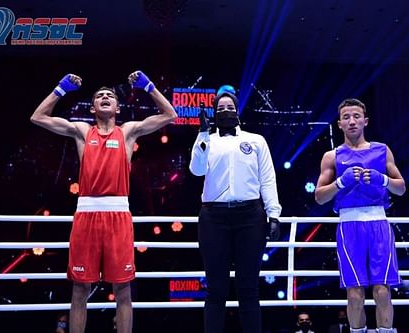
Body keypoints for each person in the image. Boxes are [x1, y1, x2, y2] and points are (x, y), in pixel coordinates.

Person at [31, 71, 177, 333]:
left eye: (110, 95)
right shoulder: (82, 131)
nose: (106, 97)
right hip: (86, 216)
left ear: (117, 107)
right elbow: (38, 117)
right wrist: (60, 89)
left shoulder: (128, 132)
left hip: (118, 217)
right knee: (80, 289)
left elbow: (170, 115)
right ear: (93, 107)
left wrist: (149, 86)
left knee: (123, 290)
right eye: (100, 96)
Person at [189, 86, 281, 333]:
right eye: (221, 108)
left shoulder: (255, 140)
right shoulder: (207, 141)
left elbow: (268, 179)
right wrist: (202, 135)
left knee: (248, 287)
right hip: (213, 218)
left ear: (237, 110)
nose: (226, 111)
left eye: (230, 107)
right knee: (216, 288)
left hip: (250, 217)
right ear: (214, 112)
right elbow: (196, 170)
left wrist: (274, 215)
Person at [314, 98, 406, 333]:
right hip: (349, 225)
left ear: (365, 121)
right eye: (346, 117)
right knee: (354, 294)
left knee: (382, 291)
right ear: (340, 124)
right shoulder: (331, 156)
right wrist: (340, 183)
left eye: (356, 116)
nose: (352, 121)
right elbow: (320, 197)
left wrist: (382, 179)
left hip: (378, 223)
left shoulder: (382, 149)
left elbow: (401, 187)